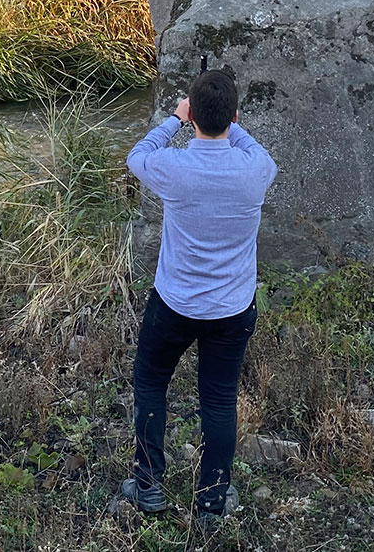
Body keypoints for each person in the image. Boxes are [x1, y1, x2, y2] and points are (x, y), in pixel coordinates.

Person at [119, 69, 278, 524]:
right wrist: (229, 119)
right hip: (231, 309)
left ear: (192, 115)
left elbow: (138, 154)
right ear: (234, 114)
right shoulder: (255, 171)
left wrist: (175, 119)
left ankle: (148, 486)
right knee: (219, 401)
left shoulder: (174, 168)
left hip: (174, 304)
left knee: (151, 385)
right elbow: (253, 148)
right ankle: (210, 501)